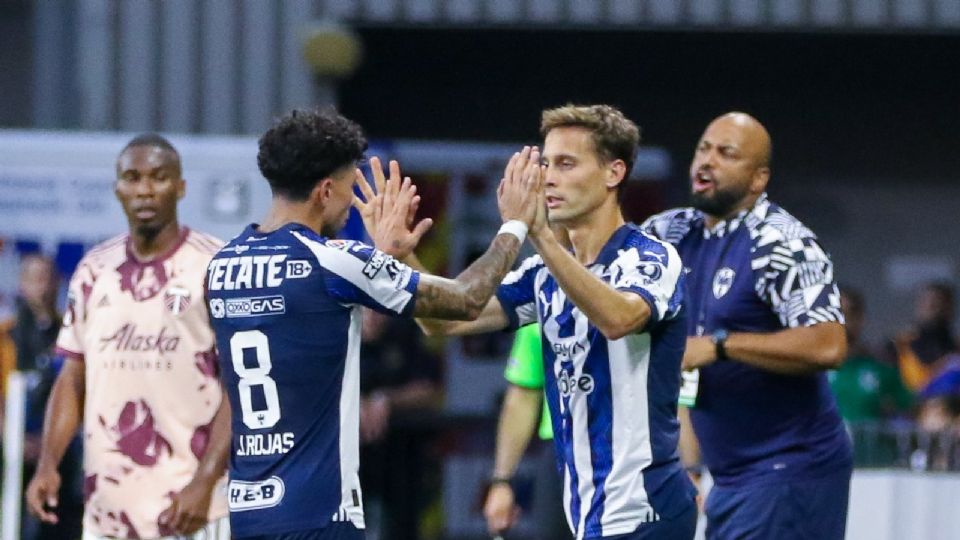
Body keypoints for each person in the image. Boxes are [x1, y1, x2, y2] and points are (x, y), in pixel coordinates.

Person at [205, 107, 540, 539]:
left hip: (249, 513)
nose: (351, 205)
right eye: (349, 188)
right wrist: (515, 224)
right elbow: (467, 299)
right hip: (320, 514)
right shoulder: (333, 261)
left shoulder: (222, 265)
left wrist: (382, 261)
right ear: (325, 190)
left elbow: (298, 330)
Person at [380, 104, 698, 540]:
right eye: (545, 164)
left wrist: (541, 235)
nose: (548, 177)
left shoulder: (651, 258)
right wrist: (402, 259)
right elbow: (445, 323)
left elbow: (619, 319)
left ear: (614, 173)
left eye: (567, 164)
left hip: (645, 507)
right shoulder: (544, 276)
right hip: (588, 505)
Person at [641, 112, 851, 539]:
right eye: (703, 149)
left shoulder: (782, 242)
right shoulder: (672, 232)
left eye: (726, 153)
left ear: (758, 179)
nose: (707, 161)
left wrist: (719, 346)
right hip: (731, 473)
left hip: (790, 466)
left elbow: (828, 345)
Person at [25, 134, 231, 540]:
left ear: (181, 186)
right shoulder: (93, 271)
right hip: (108, 509)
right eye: (132, 178)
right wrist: (48, 464)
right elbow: (72, 376)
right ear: (117, 187)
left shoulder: (214, 266)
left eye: (159, 177)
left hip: (190, 507)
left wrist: (205, 480)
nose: (145, 190)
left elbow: (239, 384)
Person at [5, 254, 84, 540]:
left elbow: (80, 390)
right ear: (22, 284)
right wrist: (15, 439)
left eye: (49, 278)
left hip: (65, 451)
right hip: (13, 451)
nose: (43, 286)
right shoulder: (6, 336)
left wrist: (52, 445)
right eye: (35, 279)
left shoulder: (72, 335)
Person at [358, 308, 443, 540]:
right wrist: (350, 403)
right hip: (348, 461)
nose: (371, 318)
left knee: (403, 528)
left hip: (401, 454)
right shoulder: (336, 336)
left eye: (376, 312)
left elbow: (430, 389)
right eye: (364, 312)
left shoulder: (405, 333)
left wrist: (387, 399)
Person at [483, 323, 568, 539]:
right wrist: (501, 481)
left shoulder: (644, 296)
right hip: (563, 454)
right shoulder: (543, 300)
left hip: (637, 450)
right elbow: (522, 396)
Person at [829, 286, 912, 424]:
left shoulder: (883, 369)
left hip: (871, 445)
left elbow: (911, 411)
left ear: (861, 318)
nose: (841, 322)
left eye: (848, 314)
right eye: (835, 314)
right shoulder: (810, 372)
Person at [892, 282, 958, 392]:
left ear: (950, 308)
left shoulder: (956, 348)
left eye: (939, 303)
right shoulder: (898, 346)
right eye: (927, 302)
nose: (933, 308)